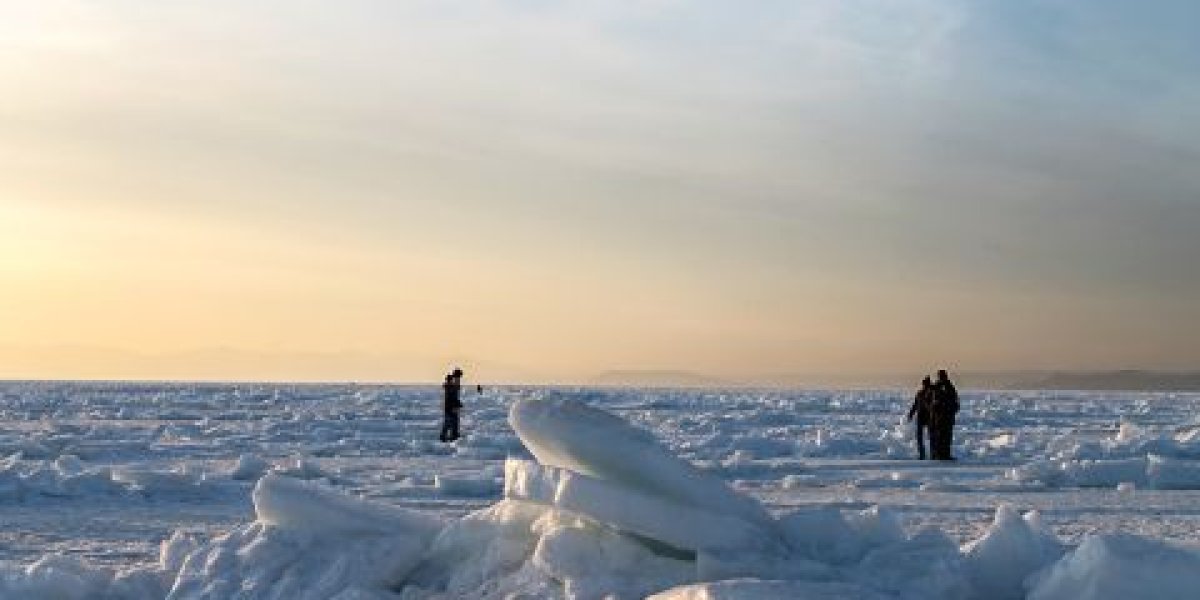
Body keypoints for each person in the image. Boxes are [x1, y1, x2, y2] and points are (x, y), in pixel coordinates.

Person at [930, 369, 959, 460]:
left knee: (945, 437)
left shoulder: (948, 386)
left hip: (945, 417)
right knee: (941, 437)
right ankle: (940, 454)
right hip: (941, 417)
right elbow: (935, 403)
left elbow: (954, 401)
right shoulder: (939, 387)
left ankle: (944, 454)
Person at [906, 377, 935, 460]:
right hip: (921, 417)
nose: (924, 385)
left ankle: (933, 454)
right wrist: (911, 413)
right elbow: (915, 404)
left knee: (931, 437)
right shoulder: (920, 393)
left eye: (926, 384)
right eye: (924, 384)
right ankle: (922, 454)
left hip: (929, 417)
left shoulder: (932, 393)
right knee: (920, 437)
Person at [440, 368, 464, 442]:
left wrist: (457, 403)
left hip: (451, 408)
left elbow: (453, 397)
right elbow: (450, 398)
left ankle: (452, 436)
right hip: (450, 409)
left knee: (453, 423)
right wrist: (456, 404)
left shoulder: (453, 386)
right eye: (457, 377)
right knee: (449, 423)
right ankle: (447, 437)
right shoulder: (451, 387)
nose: (458, 380)